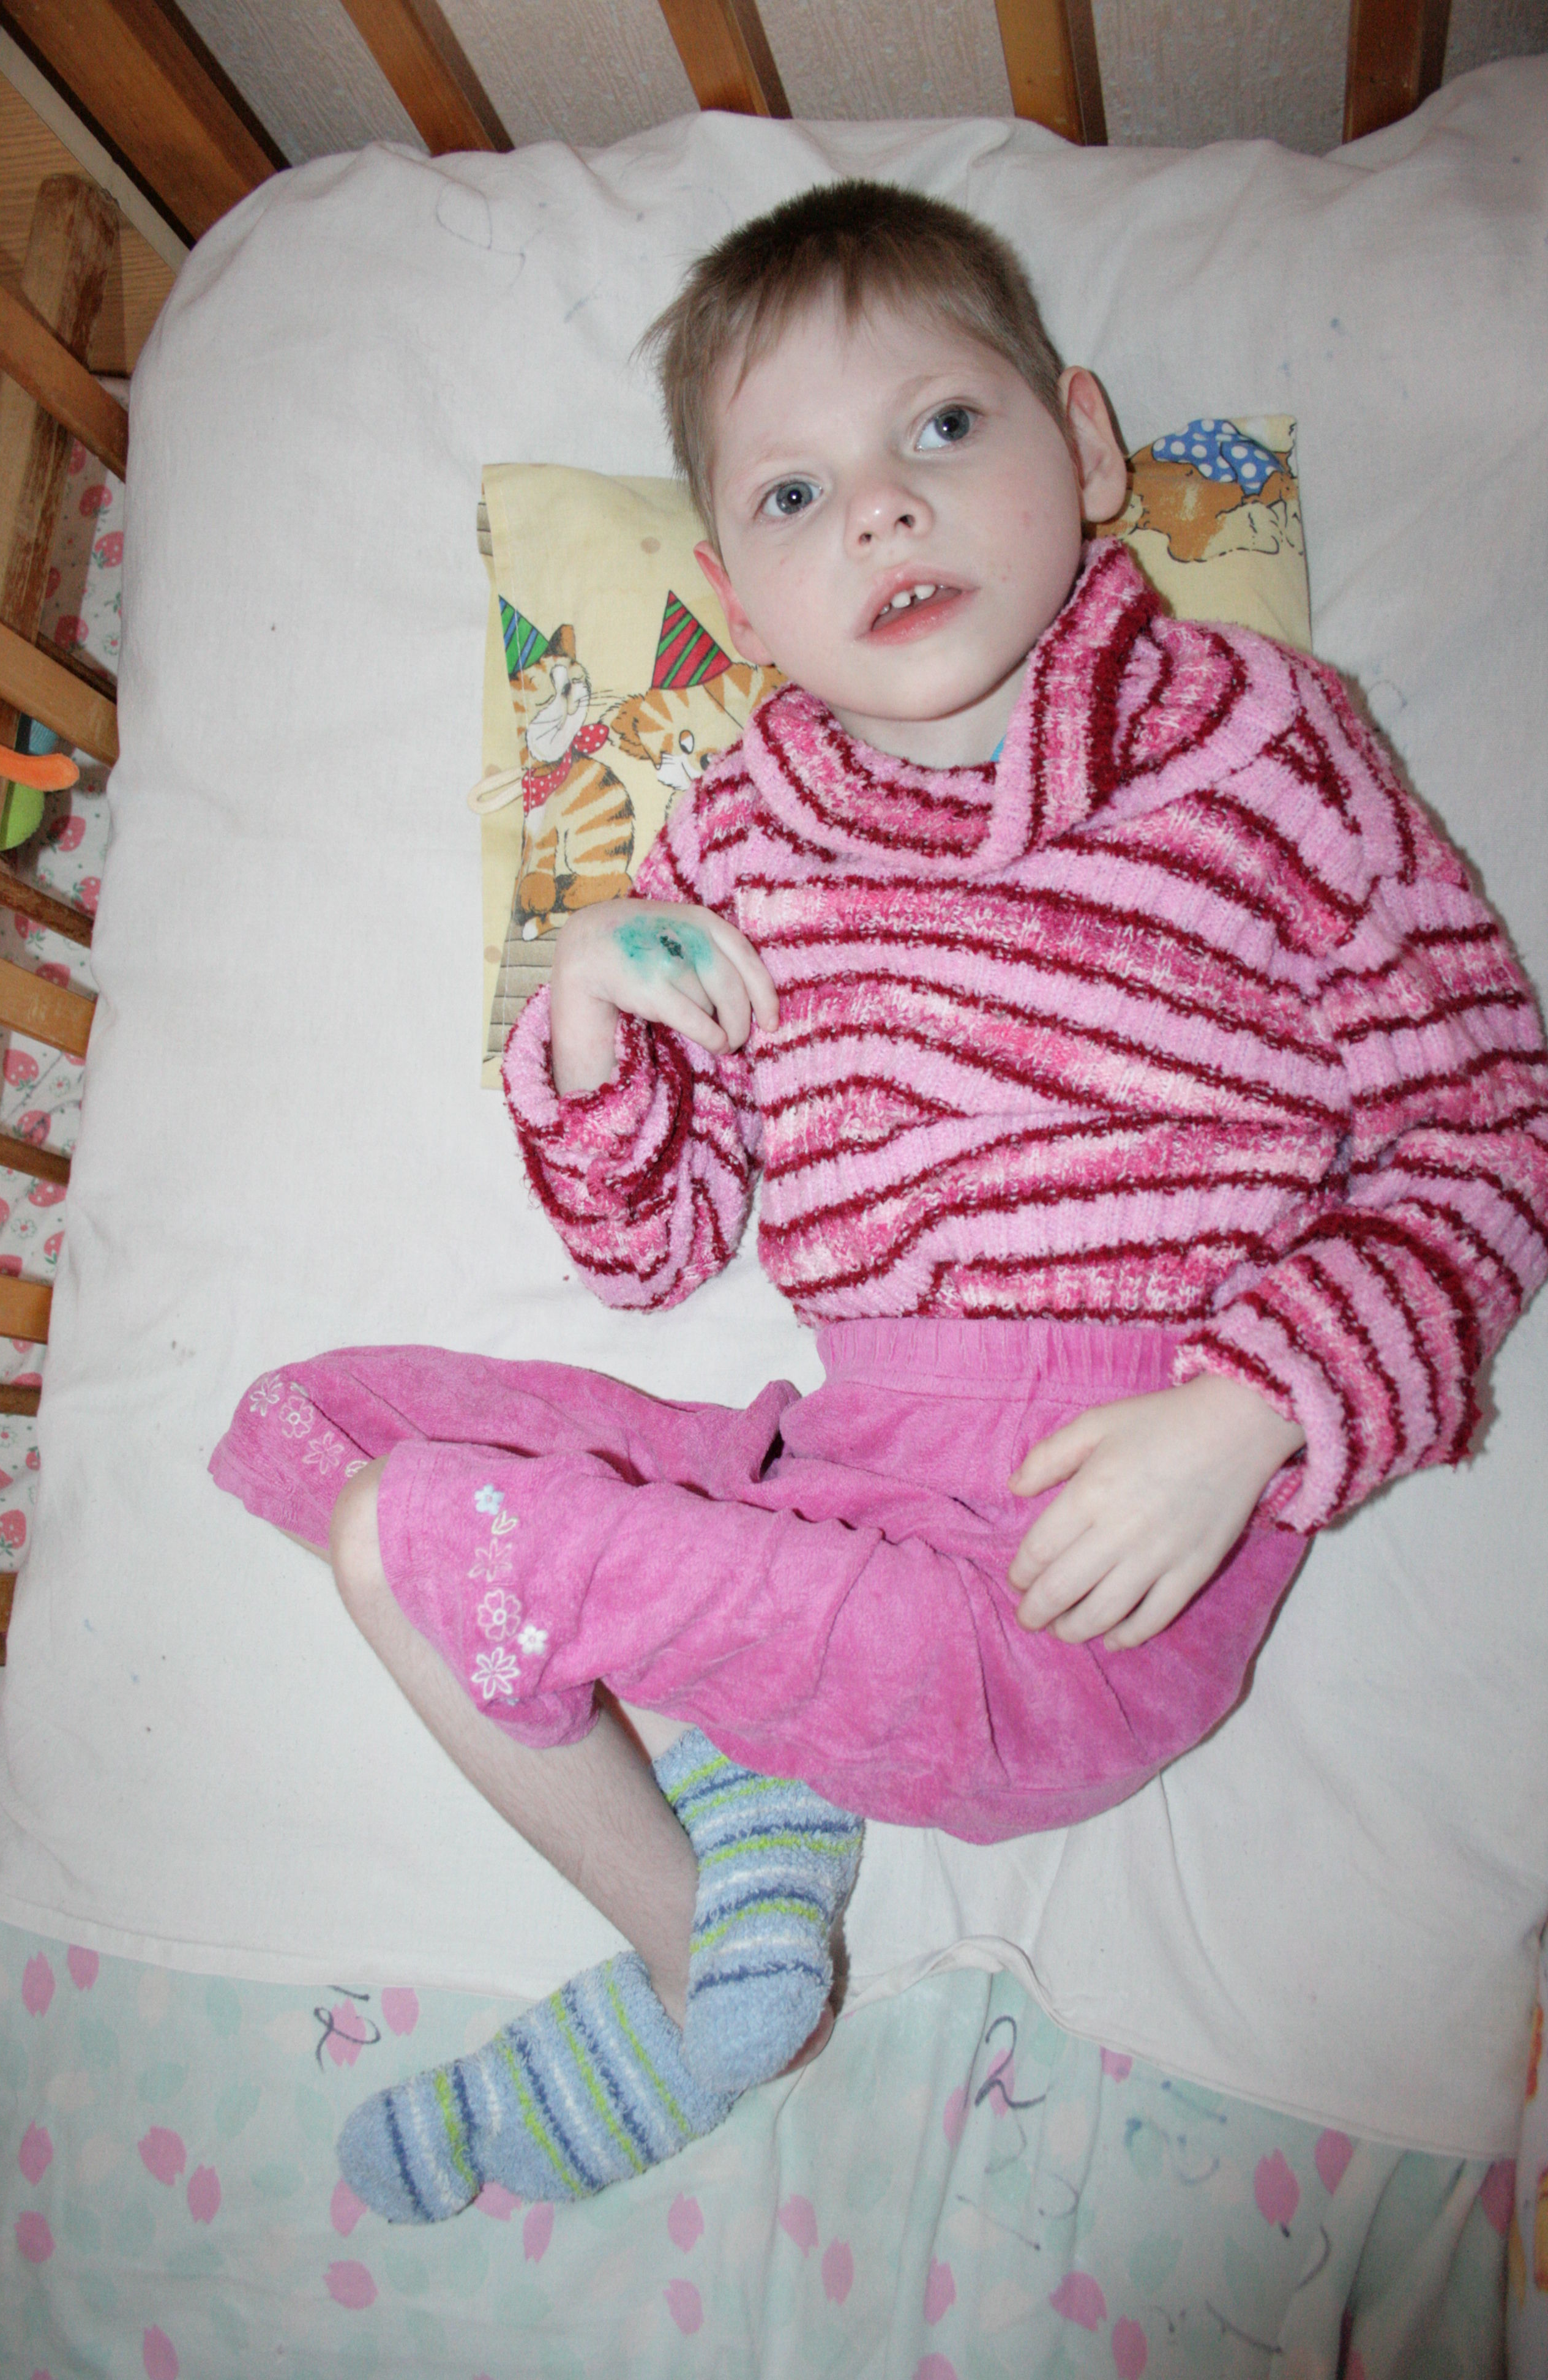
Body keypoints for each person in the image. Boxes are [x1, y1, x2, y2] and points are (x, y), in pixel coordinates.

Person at [209, 181, 1548, 2225]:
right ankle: (751, 1833)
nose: (883, 515)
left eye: (942, 428)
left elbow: (1483, 1121)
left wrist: (1253, 1411)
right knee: (355, 1444)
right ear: (735, 593)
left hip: (1088, 1579)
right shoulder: (740, 836)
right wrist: (592, 1012)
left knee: (420, 1538)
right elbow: (652, 1250)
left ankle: (701, 1964)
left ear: (1083, 445)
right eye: (795, 494)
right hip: (852, 1472)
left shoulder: (1265, 740)